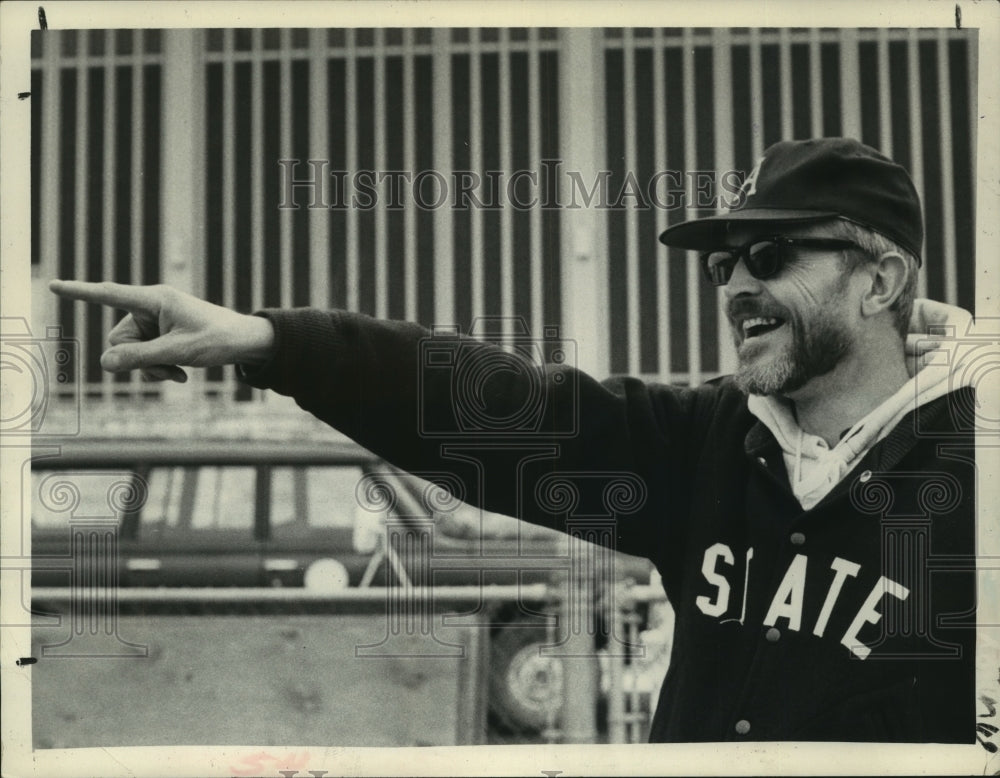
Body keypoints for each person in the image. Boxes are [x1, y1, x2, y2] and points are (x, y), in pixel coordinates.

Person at [50, 137, 977, 743]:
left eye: (771, 256)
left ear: (881, 280)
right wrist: (269, 341)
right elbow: (494, 410)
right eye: (723, 265)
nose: (737, 287)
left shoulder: (976, 478)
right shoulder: (703, 443)